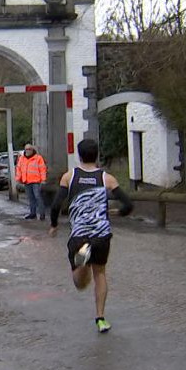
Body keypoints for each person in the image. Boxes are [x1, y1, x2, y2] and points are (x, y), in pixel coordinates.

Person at [49, 138, 133, 334]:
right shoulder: (107, 179)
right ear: (97, 155)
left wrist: (53, 225)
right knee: (100, 273)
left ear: (79, 155)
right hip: (102, 235)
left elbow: (55, 205)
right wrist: (117, 213)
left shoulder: (69, 177)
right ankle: (100, 318)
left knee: (79, 283)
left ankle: (83, 262)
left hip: (80, 236)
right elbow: (128, 205)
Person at [16, 143, 47, 220]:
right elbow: (19, 169)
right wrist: (18, 179)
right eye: (26, 149)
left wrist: (43, 180)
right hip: (26, 181)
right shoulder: (22, 159)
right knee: (30, 198)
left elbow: (42, 169)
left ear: (32, 150)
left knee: (37, 197)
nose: (28, 151)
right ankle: (33, 213)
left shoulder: (38, 158)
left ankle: (42, 214)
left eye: (29, 149)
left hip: (36, 181)